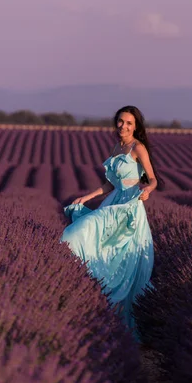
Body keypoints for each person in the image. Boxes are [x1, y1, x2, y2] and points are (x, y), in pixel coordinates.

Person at [60, 105, 162, 340]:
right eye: (120, 121)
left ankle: (119, 319)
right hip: (113, 202)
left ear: (135, 126)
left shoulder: (138, 147)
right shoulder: (117, 147)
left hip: (129, 208)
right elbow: (110, 185)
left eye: (129, 123)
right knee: (104, 251)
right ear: (115, 123)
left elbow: (153, 178)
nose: (123, 126)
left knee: (114, 253)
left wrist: (147, 189)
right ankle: (97, 308)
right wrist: (87, 197)